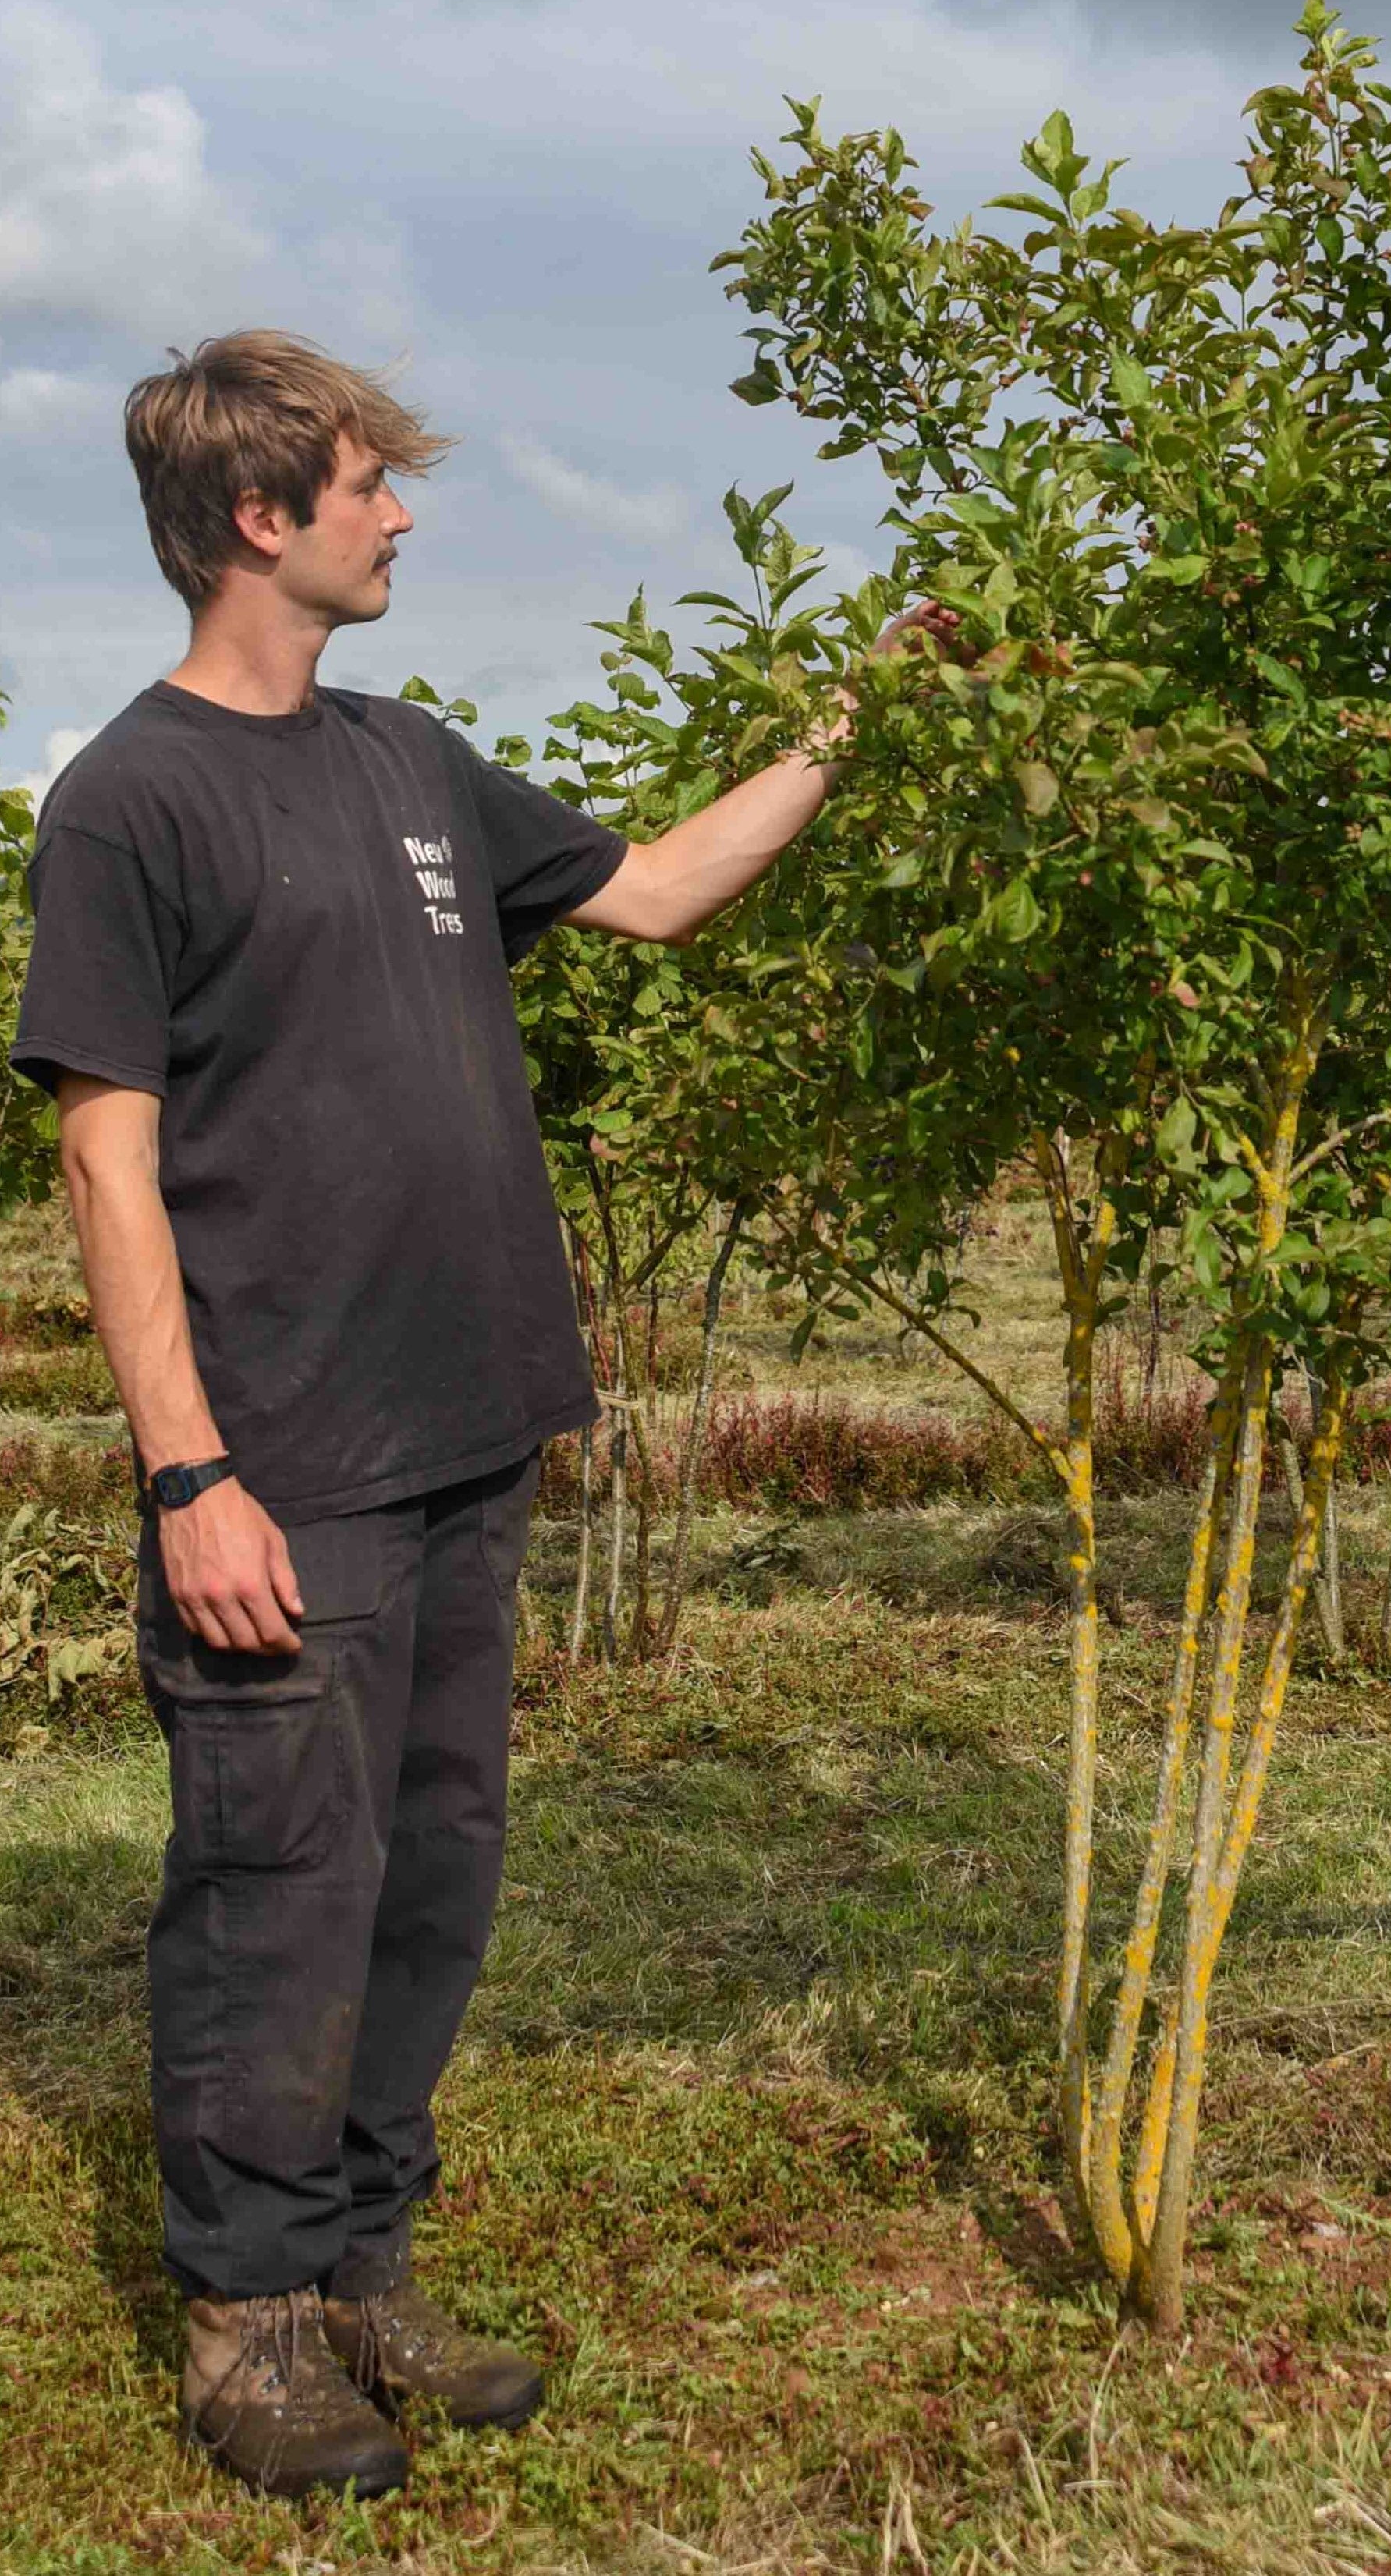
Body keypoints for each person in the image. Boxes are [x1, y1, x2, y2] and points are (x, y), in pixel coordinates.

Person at [9, 331, 898, 2500]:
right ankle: (246, 2316)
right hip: (285, 1469)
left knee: (430, 1882)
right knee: (274, 1894)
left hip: (467, 1427)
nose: (399, 514)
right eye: (369, 484)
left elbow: (665, 888)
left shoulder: (410, 760)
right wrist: (191, 1473)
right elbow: (105, 1160)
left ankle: (365, 2254)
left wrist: (860, 719)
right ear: (259, 516)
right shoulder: (129, 799)